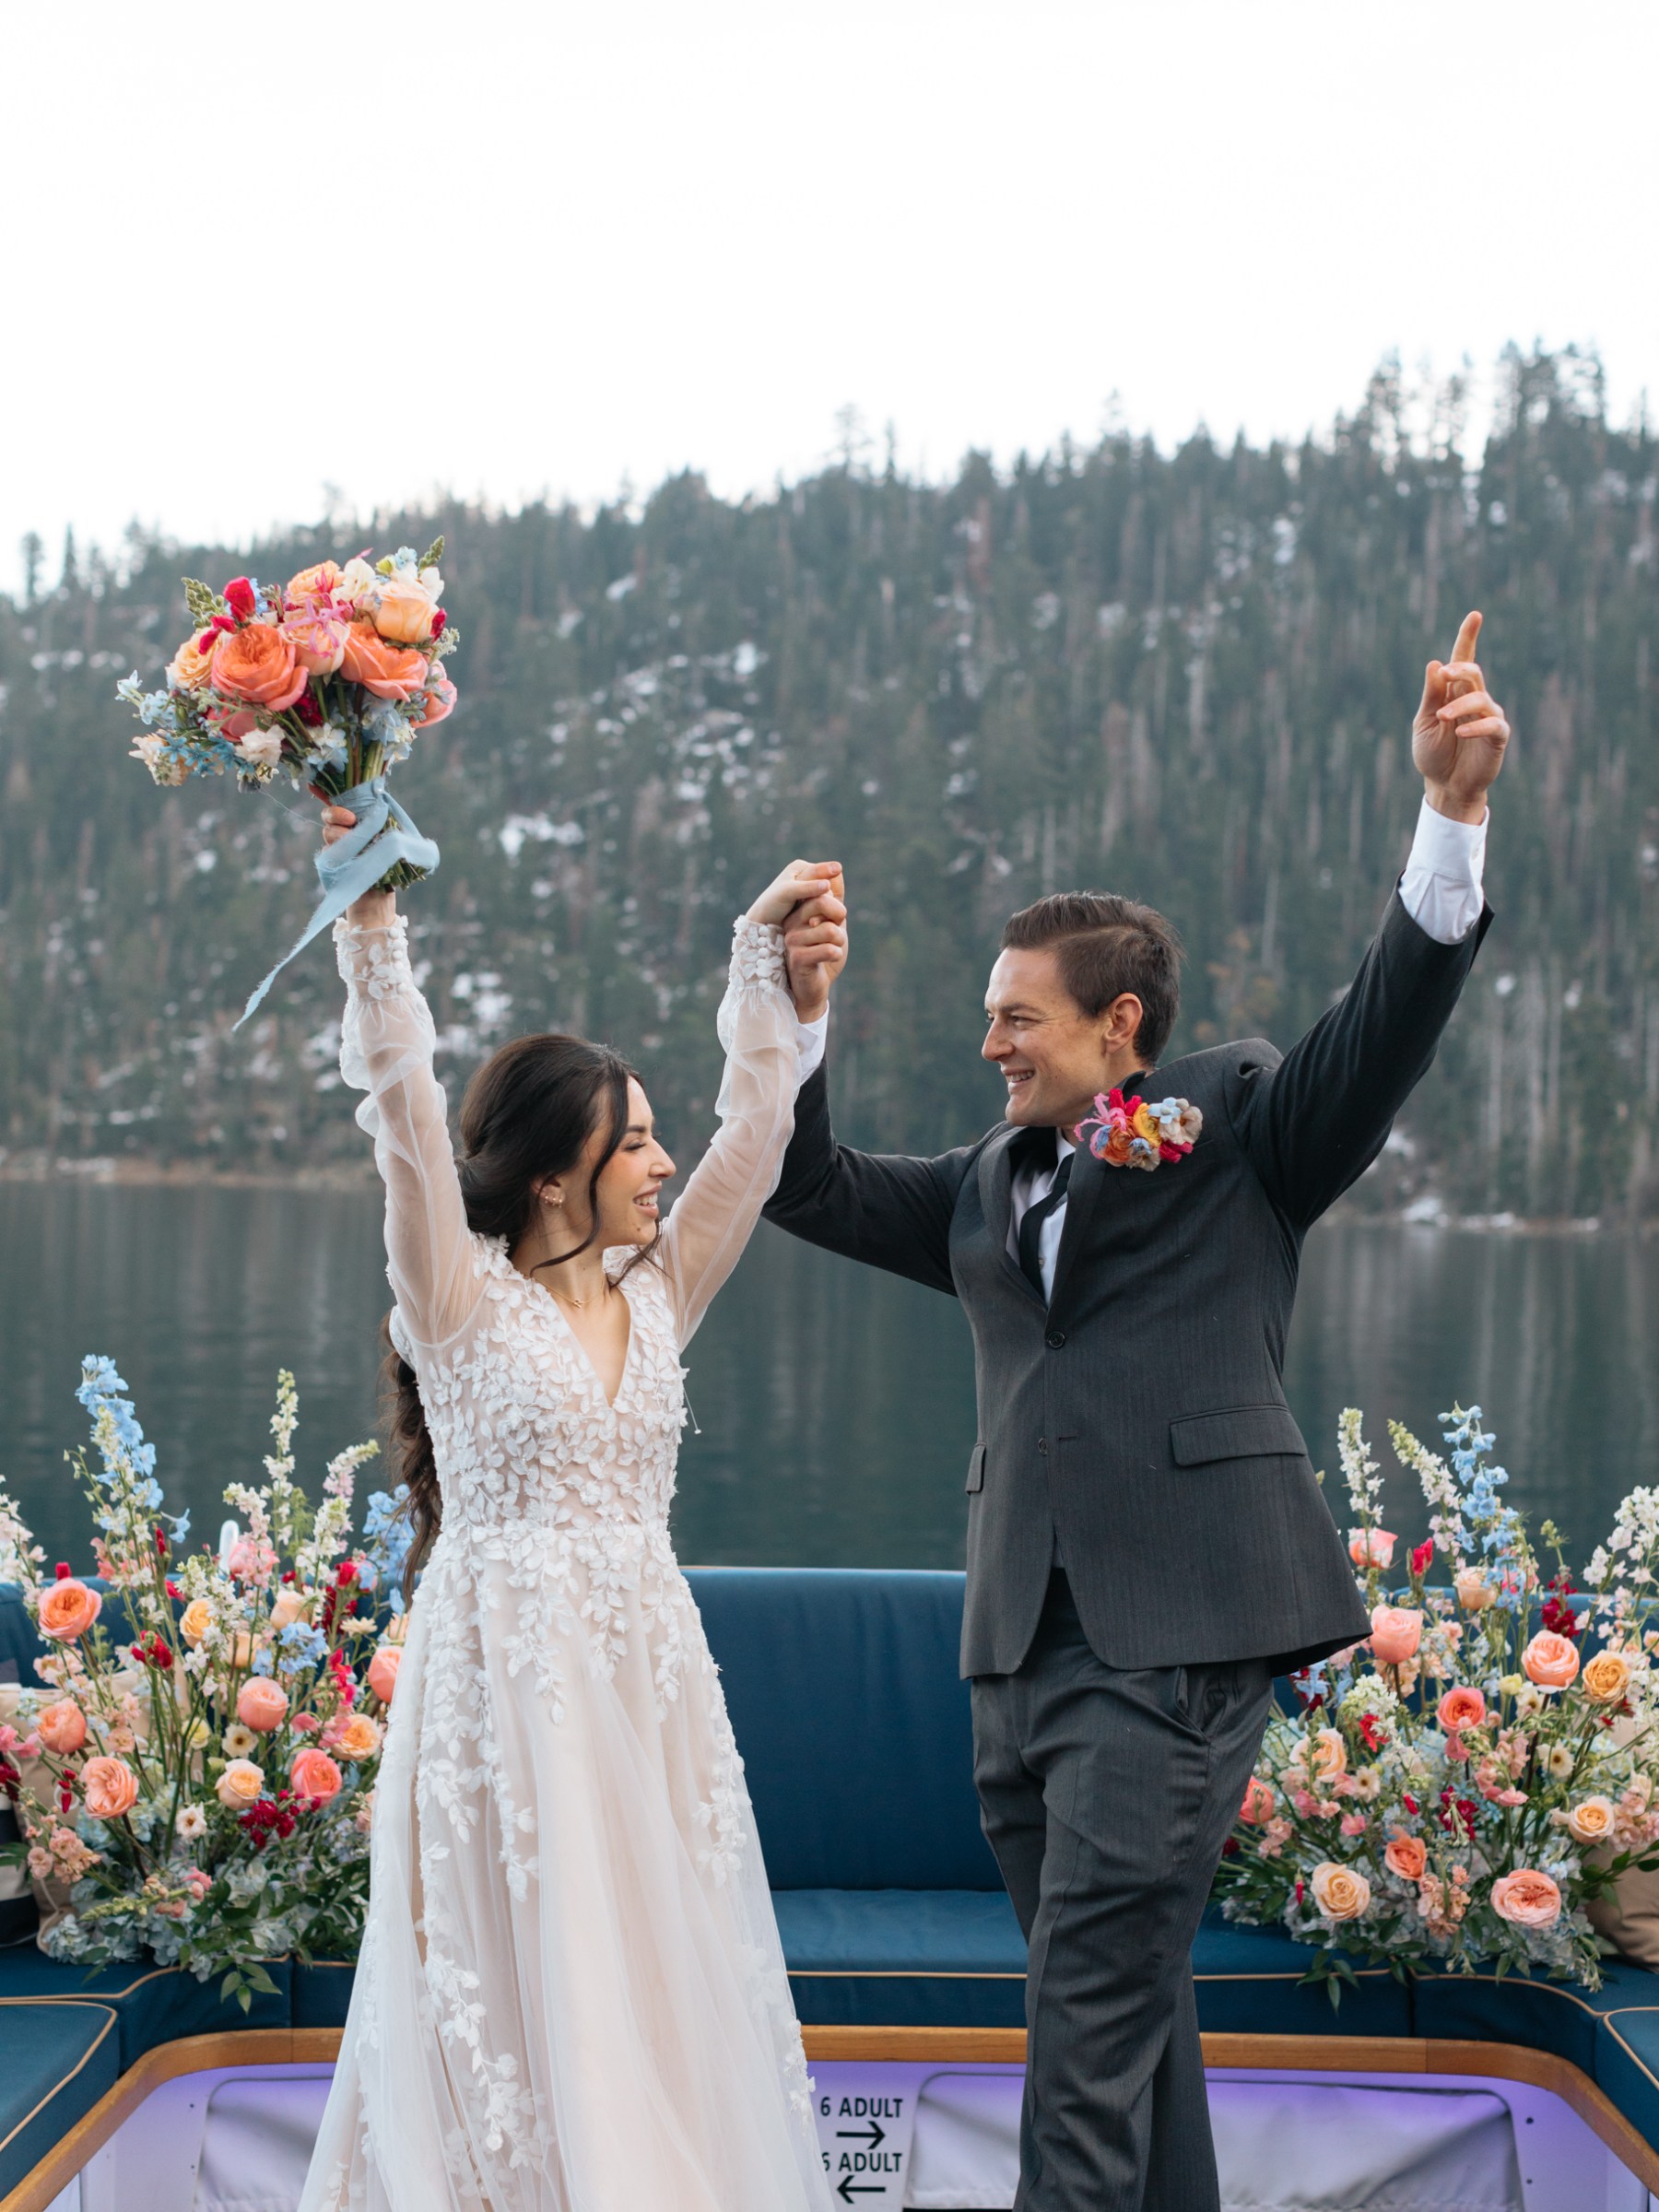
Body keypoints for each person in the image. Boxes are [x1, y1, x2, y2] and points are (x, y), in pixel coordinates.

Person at [765, 615, 1510, 2211]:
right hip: (1012, 1660)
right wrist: (796, 1012)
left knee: (1083, 2047)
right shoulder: (977, 1187)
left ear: (1121, 1030)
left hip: (1169, 1649)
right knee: (1118, 2019)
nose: (988, 1044)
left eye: (1017, 1018)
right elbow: (803, 1181)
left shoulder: (1241, 1121)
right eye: (986, 1012)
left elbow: (1381, 1033)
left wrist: (1448, 820)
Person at [298, 818, 847, 2212]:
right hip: (502, 1685)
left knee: (655, 1972)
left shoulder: (662, 1290)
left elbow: (759, 1129)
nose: (665, 1166)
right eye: (636, 1144)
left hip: (647, 1678)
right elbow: (407, 1116)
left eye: (661, 1140)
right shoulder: (459, 1302)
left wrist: (773, 974)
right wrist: (371, 920)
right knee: (511, 1976)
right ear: (554, 1174)